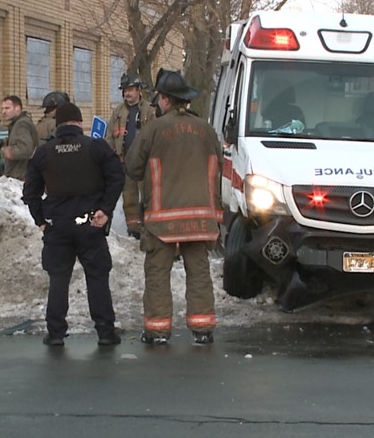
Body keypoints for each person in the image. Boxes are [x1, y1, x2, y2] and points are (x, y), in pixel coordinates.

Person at [124, 70, 223, 346]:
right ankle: (203, 329)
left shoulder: (153, 130)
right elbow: (218, 170)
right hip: (201, 218)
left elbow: (131, 168)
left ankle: (157, 330)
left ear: (166, 100)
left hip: (162, 219)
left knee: (157, 273)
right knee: (199, 272)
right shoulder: (206, 129)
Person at [22, 102, 125, 347]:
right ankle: (105, 332)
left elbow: (30, 192)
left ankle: (56, 332)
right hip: (90, 223)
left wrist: (40, 221)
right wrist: (105, 210)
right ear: (79, 123)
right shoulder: (96, 147)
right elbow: (117, 177)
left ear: (57, 126)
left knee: (58, 278)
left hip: (57, 225)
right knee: (97, 278)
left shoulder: (44, 152)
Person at [105, 73, 154, 238]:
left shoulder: (150, 110)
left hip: (145, 162)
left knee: (149, 195)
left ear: (139, 90)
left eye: (131, 89)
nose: (128, 93)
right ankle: (134, 230)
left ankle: (150, 228)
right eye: (125, 90)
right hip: (124, 161)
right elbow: (109, 136)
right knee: (129, 197)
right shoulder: (118, 111)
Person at [0, 95, 38, 181]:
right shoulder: (16, 124)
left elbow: (25, 149)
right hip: (19, 176)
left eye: (7, 108)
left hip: (21, 178)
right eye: (2, 109)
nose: (3, 112)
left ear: (17, 108)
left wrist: (8, 151)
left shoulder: (21, 124)